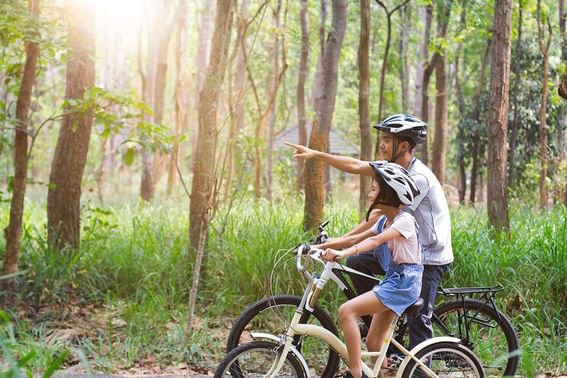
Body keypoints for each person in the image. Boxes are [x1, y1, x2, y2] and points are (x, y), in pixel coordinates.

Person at [286, 114, 454, 350]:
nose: (381, 145)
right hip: (400, 248)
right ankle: (378, 325)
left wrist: (340, 242)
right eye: (381, 139)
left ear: (404, 146)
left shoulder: (417, 178)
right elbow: (355, 165)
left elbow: (377, 218)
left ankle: (419, 370)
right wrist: (317, 155)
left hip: (427, 256)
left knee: (418, 321)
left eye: (387, 140)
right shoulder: (392, 170)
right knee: (356, 262)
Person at [321, 162, 422, 378]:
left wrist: (345, 253)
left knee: (346, 311)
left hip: (403, 284)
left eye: (374, 190)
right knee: (374, 342)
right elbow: (357, 237)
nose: (369, 195)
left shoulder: (404, 221)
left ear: (388, 194)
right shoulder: (386, 220)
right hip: (394, 280)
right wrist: (320, 246)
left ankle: (356, 373)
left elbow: (375, 241)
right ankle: (382, 375)